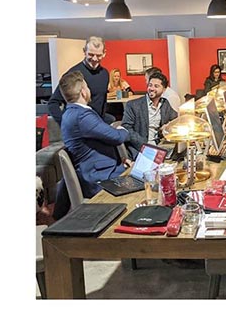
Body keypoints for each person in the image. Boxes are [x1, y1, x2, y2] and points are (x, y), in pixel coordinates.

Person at [57, 70, 131, 200]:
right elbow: (117, 137)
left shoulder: (70, 113)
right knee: (148, 180)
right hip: (100, 178)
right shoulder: (82, 116)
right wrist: (123, 129)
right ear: (83, 92)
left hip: (99, 170)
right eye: (87, 86)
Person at [46, 36, 111, 125]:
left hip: (98, 125)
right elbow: (53, 103)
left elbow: (102, 101)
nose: (94, 59)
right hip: (79, 126)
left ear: (104, 53)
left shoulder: (105, 73)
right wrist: (65, 124)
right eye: (91, 54)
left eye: (98, 55)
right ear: (84, 51)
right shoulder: (72, 74)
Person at [121, 71, 178, 158]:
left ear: (164, 89)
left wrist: (167, 126)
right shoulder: (133, 105)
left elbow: (176, 120)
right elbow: (126, 127)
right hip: (140, 148)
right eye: (150, 85)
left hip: (160, 145)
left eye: (156, 86)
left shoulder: (165, 103)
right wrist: (146, 145)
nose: (151, 88)